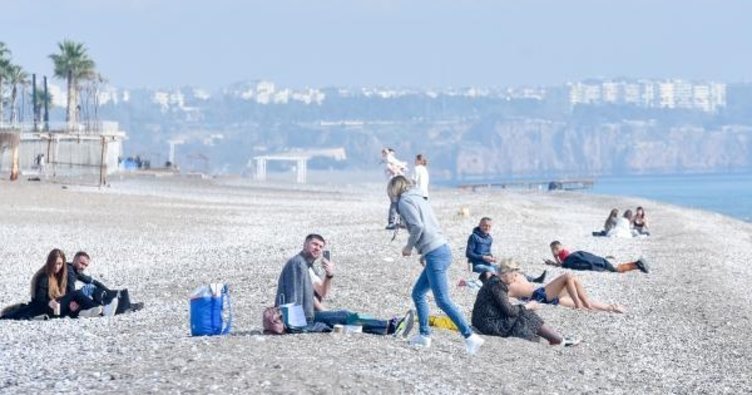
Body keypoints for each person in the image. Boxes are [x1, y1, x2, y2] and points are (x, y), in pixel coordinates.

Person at [388, 175, 485, 354]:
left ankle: (470, 336)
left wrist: (409, 247)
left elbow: (417, 226)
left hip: (436, 253)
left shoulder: (404, 201)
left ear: (395, 189)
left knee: (442, 300)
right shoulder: (420, 197)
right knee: (418, 293)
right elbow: (430, 225)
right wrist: (424, 252)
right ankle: (424, 335)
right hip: (440, 249)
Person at [275, 234, 414, 336]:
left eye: (320, 246)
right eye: (314, 244)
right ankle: (390, 326)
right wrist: (295, 325)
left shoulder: (308, 267)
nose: (317, 248)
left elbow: (321, 293)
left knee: (349, 315)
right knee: (346, 315)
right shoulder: (298, 264)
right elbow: (296, 297)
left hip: (308, 314)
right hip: (303, 318)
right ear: (305, 245)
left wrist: (329, 275)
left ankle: (385, 324)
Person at [472, 259, 580, 346]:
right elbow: (510, 312)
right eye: (514, 275)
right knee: (525, 312)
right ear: (507, 273)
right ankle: (558, 340)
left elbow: (505, 308)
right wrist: (528, 306)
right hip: (487, 324)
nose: (515, 279)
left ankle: (556, 338)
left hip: (483, 321)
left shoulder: (494, 282)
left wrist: (525, 307)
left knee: (523, 313)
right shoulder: (497, 286)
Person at [1, 249, 104, 320]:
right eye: (54, 263)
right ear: (49, 262)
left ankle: (85, 311)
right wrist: (50, 302)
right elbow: (38, 301)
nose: (56, 266)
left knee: (80, 293)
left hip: (57, 307)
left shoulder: (61, 275)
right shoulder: (43, 277)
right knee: (76, 294)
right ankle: (98, 308)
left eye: (59, 264)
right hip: (45, 308)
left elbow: (83, 281)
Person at [501, 259, 624, 313]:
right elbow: (499, 297)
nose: (515, 273)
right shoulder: (507, 286)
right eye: (513, 270)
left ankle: (610, 308)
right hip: (539, 295)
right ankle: (579, 305)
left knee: (573, 280)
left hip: (547, 295)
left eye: (516, 270)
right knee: (567, 276)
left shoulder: (519, 276)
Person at [466, 217, 546, 282]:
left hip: (488, 263)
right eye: (485, 225)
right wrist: (483, 257)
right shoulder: (473, 237)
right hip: (477, 265)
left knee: (509, 268)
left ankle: (533, 279)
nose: (487, 228)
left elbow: (488, 252)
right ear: (479, 225)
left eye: (489, 226)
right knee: (491, 270)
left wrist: (492, 258)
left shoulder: (489, 238)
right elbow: (468, 254)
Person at [69, 251, 144, 314]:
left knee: (94, 287)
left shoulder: (75, 270)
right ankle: (119, 307)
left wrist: (108, 292)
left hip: (71, 297)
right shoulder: (69, 271)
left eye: (85, 265)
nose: (83, 267)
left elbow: (93, 281)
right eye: (81, 263)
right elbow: (71, 292)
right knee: (91, 288)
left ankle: (123, 305)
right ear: (74, 259)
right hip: (67, 300)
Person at [546, 240, 649, 274]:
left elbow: (563, 265)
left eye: (553, 249)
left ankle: (637, 265)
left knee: (615, 269)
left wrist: (554, 259)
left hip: (583, 260)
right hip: (585, 258)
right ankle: (636, 265)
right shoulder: (564, 252)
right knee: (615, 268)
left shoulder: (563, 254)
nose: (553, 252)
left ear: (556, 248)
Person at [382, 148, 408, 230]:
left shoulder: (394, 162)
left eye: (393, 155)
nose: (392, 156)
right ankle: (391, 222)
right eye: (391, 154)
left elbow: (404, 169)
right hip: (392, 184)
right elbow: (393, 170)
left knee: (401, 203)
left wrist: (399, 167)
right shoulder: (387, 163)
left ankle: (402, 222)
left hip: (399, 183)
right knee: (394, 203)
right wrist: (399, 168)